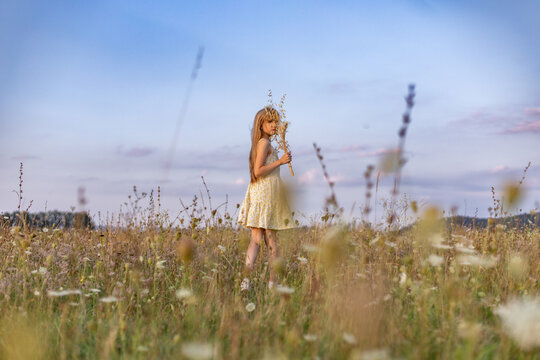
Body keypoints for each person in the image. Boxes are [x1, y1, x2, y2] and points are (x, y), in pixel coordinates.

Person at [237, 106, 294, 291]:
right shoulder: (264, 144)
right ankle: (272, 283)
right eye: (270, 122)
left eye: (276, 121)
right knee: (271, 241)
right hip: (266, 194)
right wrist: (281, 161)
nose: (274, 125)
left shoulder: (262, 144)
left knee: (256, 240)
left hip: (261, 192)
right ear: (260, 125)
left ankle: (247, 282)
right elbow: (258, 171)